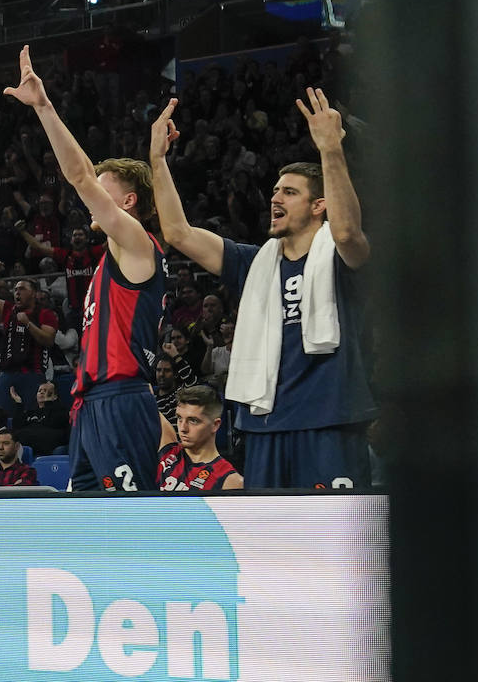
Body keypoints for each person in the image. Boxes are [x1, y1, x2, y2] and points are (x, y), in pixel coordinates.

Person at [148, 89, 376, 488]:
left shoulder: (340, 257)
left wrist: (330, 152)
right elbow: (178, 233)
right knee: (269, 546)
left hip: (329, 419)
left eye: (289, 192)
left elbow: (347, 230)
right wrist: (157, 161)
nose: (275, 197)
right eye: (274, 190)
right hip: (264, 422)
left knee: (337, 543)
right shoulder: (253, 261)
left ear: (318, 205)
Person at [4, 45, 166, 492]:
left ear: (128, 201)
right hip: (90, 402)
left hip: (121, 399)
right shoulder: (106, 262)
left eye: (104, 185)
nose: (92, 191)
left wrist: (44, 107)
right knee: (91, 525)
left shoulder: (136, 243)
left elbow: (78, 176)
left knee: (131, 525)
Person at [0, 262, 58, 410]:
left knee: (32, 417)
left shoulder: (46, 314)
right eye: (15, 290)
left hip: (33, 374)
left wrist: (28, 324)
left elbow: (48, 341)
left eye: (22, 289)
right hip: (7, 375)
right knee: (2, 417)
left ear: (33, 293)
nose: (17, 292)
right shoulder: (8, 309)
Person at [157, 386, 243, 490]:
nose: (183, 428)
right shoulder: (169, 451)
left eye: (193, 420)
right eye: (179, 418)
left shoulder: (229, 480)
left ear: (215, 425)